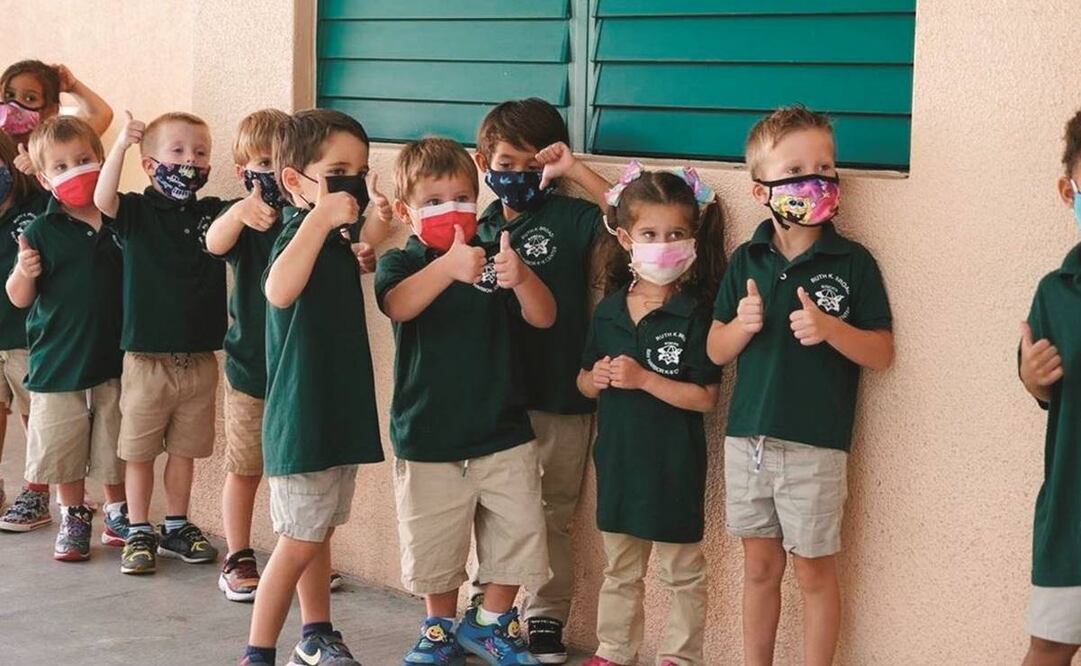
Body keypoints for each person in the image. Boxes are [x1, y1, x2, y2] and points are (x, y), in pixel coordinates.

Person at [706, 106, 894, 666]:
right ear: (760, 190)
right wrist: (740, 327)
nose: (815, 179)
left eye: (825, 167)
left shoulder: (853, 262)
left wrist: (832, 329)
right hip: (748, 442)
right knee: (759, 567)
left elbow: (881, 352)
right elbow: (714, 350)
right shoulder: (746, 258)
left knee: (814, 571)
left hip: (816, 445)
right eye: (795, 170)